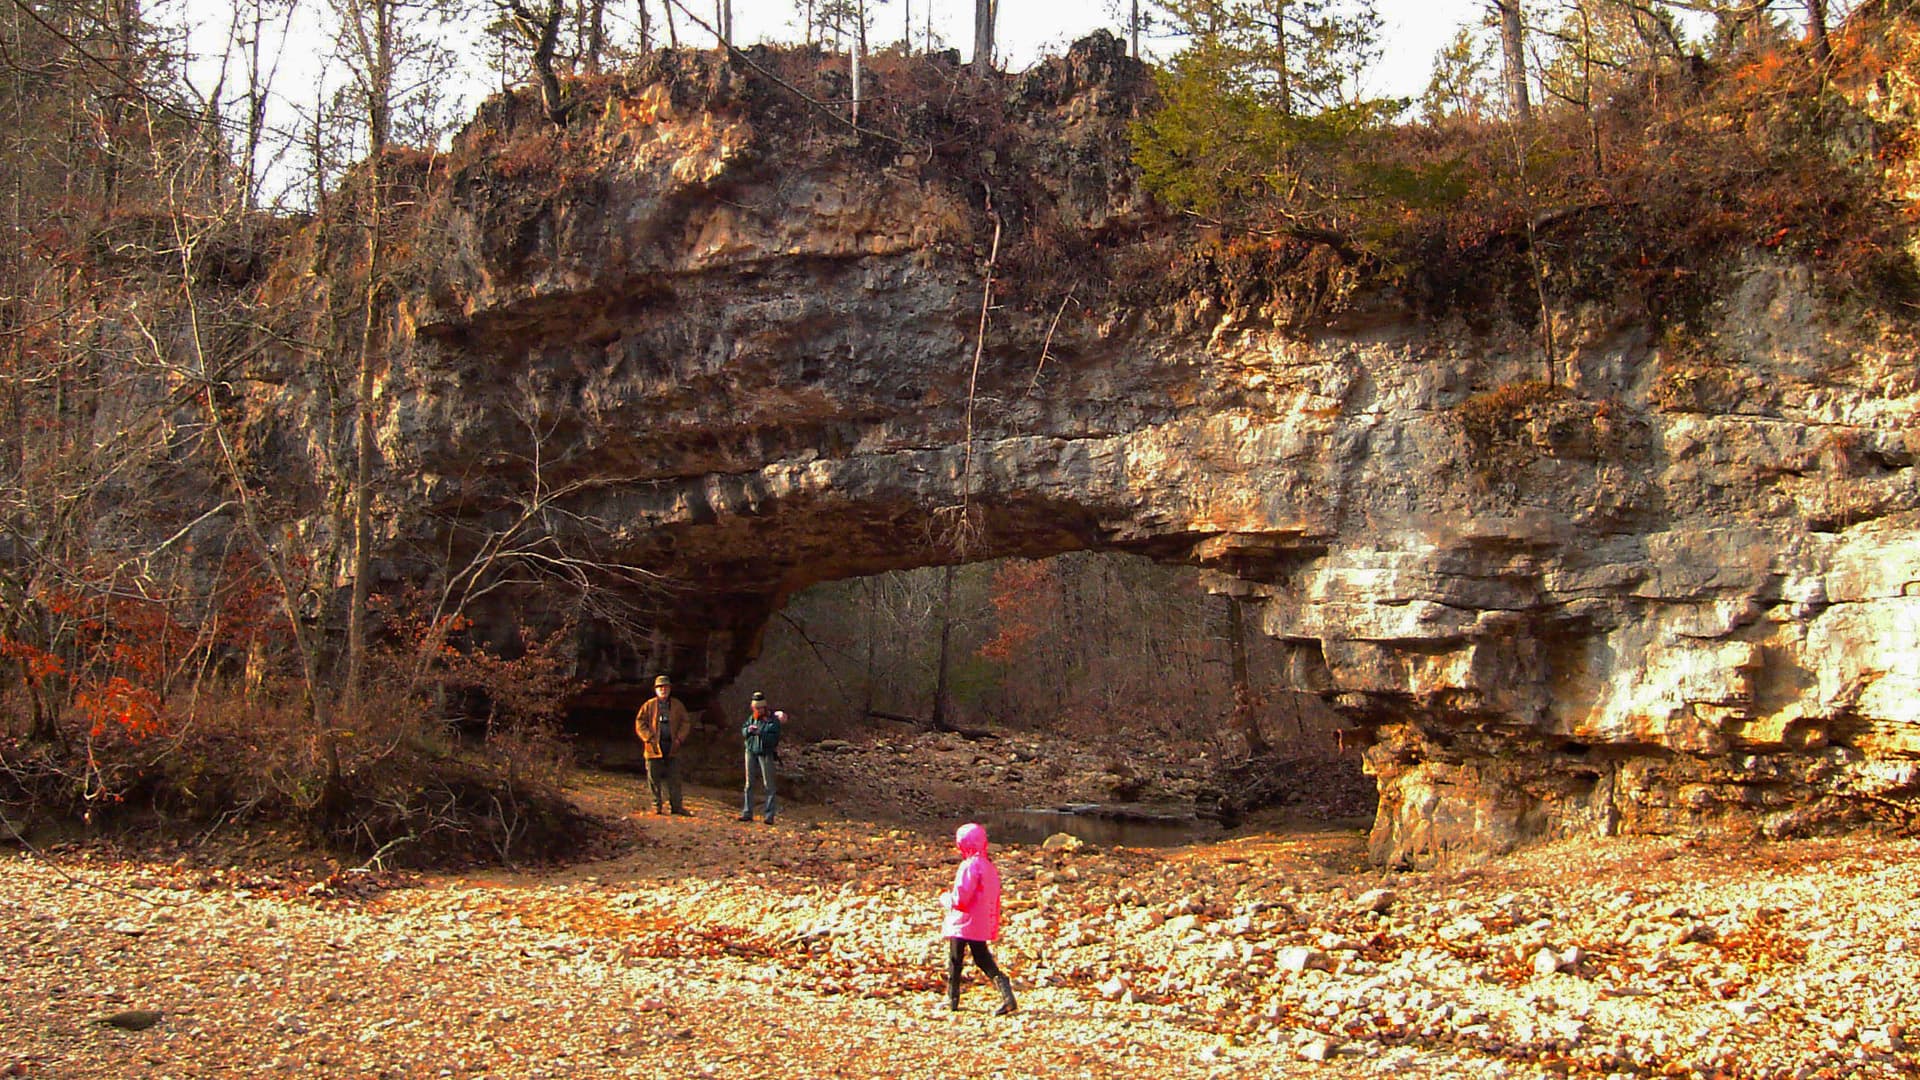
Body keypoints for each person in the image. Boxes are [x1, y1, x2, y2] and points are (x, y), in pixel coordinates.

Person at [939, 822, 1016, 1015]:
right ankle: (1007, 995)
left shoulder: (969, 866)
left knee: (955, 959)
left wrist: (946, 899)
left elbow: (961, 898)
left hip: (963, 920)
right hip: (980, 921)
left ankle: (952, 999)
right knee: (983, 959)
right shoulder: (988, 866)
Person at [633, 674, 691, 815]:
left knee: (675, 779)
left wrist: (679, 739)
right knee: (653, 779)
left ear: (670, 689)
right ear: (655, 690)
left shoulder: (677, 705)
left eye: (665, 687)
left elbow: (685, 722)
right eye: (660, 687)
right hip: (653, 748)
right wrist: (648, 737)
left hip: (672, 748)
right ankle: (656, 806)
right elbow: (640, 722)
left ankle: (676, 807)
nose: (663, 690)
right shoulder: (649, 705)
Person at [739, 693, 782, 823]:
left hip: (765, 753)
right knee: (749, 784)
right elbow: (743, 730)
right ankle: (747, 812)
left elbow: (774, 739)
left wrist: (761, 733)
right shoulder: (752, 718)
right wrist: (748, 731)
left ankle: (769, 816)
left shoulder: (773, 721)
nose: (757, 711)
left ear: (764, 707)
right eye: (755, 708)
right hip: (751, 751)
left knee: (768, 785)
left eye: (759, 708)